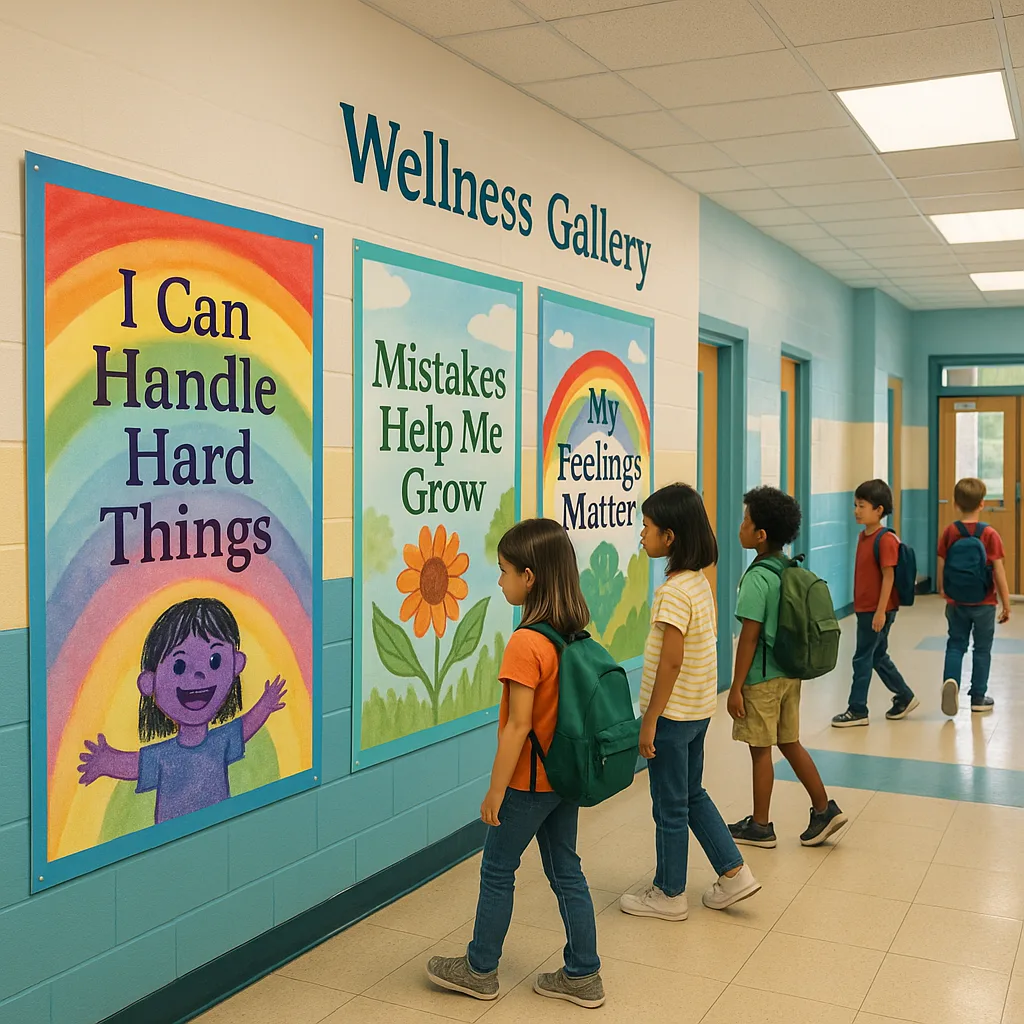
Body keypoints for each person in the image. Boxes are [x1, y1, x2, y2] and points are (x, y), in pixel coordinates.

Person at [426, 519, 605, 1010]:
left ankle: (480, 968)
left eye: (504, 571)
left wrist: (494, 791)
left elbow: (517, 727)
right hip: (563, 778)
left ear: (530, 577)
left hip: (528, 785)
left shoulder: (526, 642)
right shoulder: (571, 634)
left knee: (498, 868)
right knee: (567, 870)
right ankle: (584, 973)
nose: (500, 580)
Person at [619, 483, 760, 923]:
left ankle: (668, 893)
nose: (642, 535)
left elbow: (671, 662)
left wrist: (650, 721)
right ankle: (734, 873)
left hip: (673, 717)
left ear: (670, 537)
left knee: (669, 805)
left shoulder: (672, 593)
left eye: (647, 528)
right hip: (697, 712)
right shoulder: (698, 583)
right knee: (691, 794)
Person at [78, 597, 286, 823]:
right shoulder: (164, 756)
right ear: (149, 683)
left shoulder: (220, 741)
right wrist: (105, 762)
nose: (198, 675)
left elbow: (245, 727)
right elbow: (134, 765)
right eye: (179, 666)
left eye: (215, 660)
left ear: (236, 664)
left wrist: (265, 705)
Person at [726, 487, 847, 848]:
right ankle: (824, 808)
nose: (741, 525)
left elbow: (749, 638)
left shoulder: (757, 578)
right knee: (790, 742)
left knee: (760, 750)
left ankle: (760, 826)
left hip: (761, 679)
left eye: (746, 520)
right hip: (790, 674)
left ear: (760, 535)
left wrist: (735, 687)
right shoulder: (788, 568)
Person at [832, 480, 918, 728]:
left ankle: (857, 709)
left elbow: (888, 576)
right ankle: (904, 695)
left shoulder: (886, 539)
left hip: (877, 610)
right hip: (866, 608)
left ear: (879, 510)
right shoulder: (863, 536)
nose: (856, 511)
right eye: (855, 505)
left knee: (862, 658)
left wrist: (881, 611)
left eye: (862, 506)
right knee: (877, 655)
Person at [938, 477, 1011, 716]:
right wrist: (1006, 602)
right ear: (982, 504)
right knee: (981, 649)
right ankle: (978, 697)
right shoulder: (989, 534)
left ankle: (951, 680)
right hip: (984, 603)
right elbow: (998, 570)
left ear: (956, 504)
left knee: (955, 644)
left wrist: (943, 588)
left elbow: (943, 562)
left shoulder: (950, 532)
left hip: (956, 601)